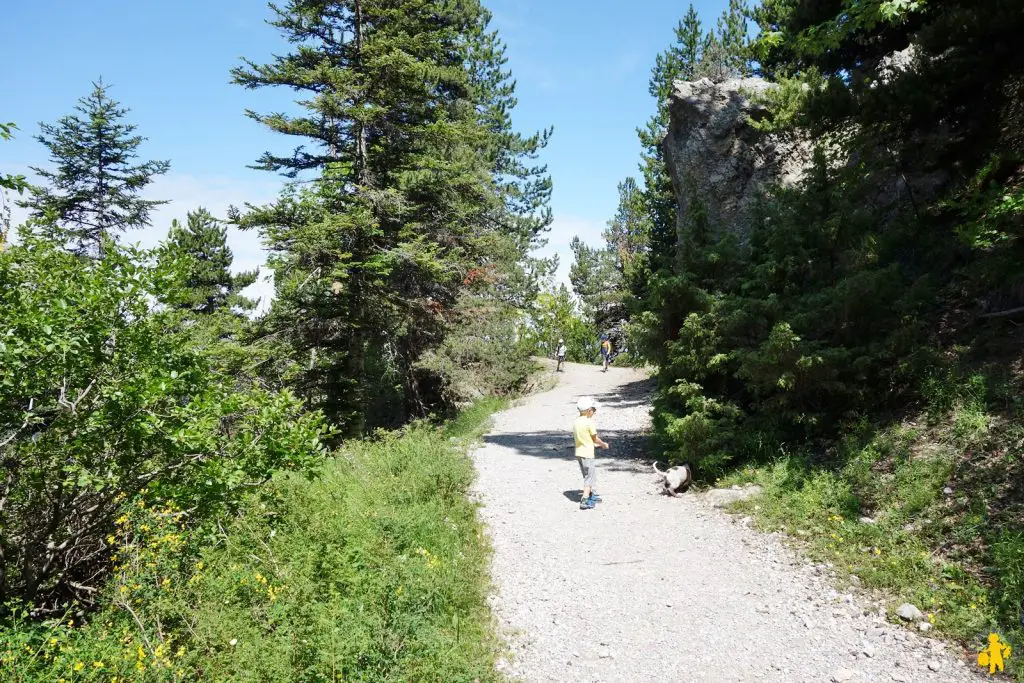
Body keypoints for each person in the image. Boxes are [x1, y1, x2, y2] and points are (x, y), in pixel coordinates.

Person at [573, 396, 609, 510]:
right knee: (589, 478)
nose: (594, 412)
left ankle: (591, 494)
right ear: (589, 411)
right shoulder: (589, 423)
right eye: (594, 410)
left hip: (579, 452)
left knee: (587, 475)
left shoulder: (576, 422)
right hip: (588, 454)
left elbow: (584, 438)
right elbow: (594, 438)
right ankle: (584, 500)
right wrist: (603, 444)